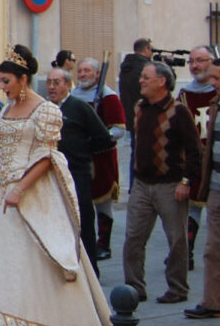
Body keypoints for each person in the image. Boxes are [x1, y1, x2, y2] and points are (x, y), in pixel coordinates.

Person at [0, 45, 112, 326]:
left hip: (33, 192)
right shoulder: (4, 111)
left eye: (6, 81)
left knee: (35, 254)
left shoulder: (46, 111)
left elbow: (47, 157)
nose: (2, 87)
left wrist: (21, 188)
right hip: (1, 191)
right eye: (0, 81)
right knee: (0, 256)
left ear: (23, 79)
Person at [123, 62, 201, 304]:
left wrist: (186, 182)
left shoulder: (179, 112)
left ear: (162, 82)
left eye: (146, 77)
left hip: (171, 186)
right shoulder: (139, 108)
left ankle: (177, 289)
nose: (141, 81)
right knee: (133, 238)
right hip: (141, 185)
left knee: (177, 240)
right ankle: (133, 289)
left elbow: (195, 151)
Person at [45, 67, 115, 274]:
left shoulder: (80, 107)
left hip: (78, 173)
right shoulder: (45, 108)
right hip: (52, 175)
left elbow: (103, 138)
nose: (51, 87)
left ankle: (90, 272)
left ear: (68, 85)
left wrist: (82, 151)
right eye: (49, 82)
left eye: (56, 83)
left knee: (82, 223)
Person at [186, 56, 220, 319]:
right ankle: (211, 304)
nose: (212, 82)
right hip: (219, 188)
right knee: (213, 249)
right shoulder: (216, 106)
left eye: (217, 78)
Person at [72, 57, 126, 262]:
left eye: (88, 71)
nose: (83, 75)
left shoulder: (108, 97)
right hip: (78, 156)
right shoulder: (74, 96)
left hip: (100, 157)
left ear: (97, 74)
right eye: (81, 71)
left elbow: (119, 129)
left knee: (103, 203)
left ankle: (104, 244)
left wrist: (98, 137)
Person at [177, 46, 220, 271]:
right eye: (191, 61)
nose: (195, 66)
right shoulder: (184, 94)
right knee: (192, 206)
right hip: (194, 159)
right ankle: (188, 253)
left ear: (211, 62)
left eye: (200, 61)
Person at [119, 38, 152, 190]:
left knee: (135, 153)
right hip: (146, 116)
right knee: (147, 153)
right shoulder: (145, 68)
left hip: (131, 117)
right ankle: (143, 188)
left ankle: (134, 188)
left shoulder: (126, 67)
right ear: (146, 49)